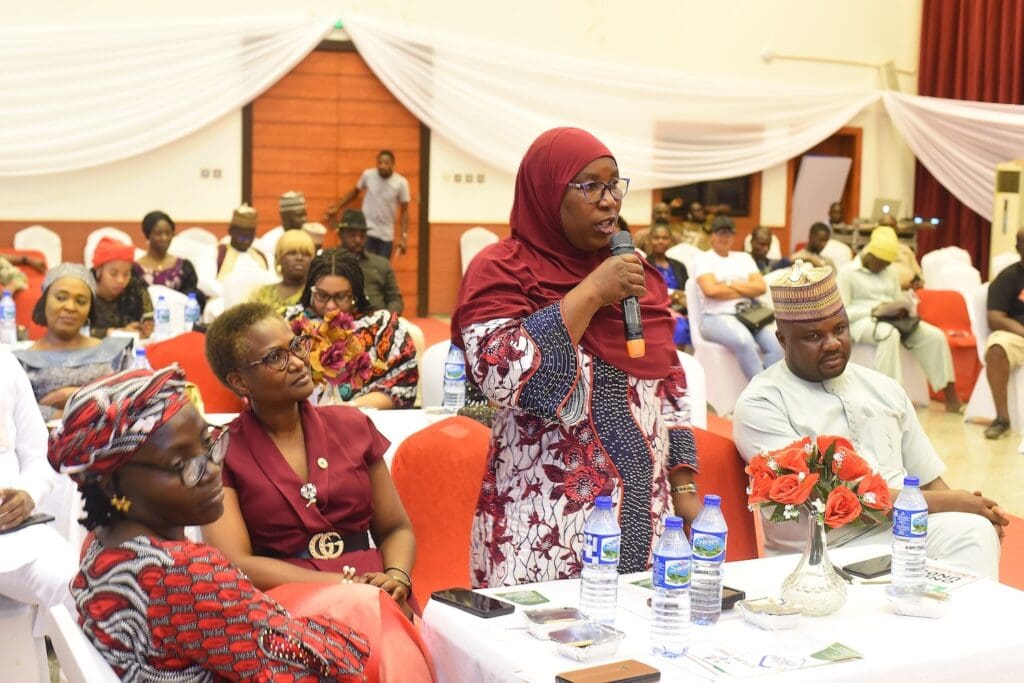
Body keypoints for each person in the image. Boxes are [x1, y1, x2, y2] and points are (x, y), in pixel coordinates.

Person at [48, 365, 433, 681]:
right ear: (113, 482)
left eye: (209, 443)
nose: (212, 469)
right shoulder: (185, 574)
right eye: (184, 463)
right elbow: (309, 672)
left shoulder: (102, 544)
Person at [451, 127, 700, 588]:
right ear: (547, 192)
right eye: (589, 186)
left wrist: (684, 486)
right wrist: (590, 294)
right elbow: (501, 376)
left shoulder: (632, 272)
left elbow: (668, 384)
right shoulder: (502, 268)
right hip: (544, 529)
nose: (608, 201)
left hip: (648, 522)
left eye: (614, 185)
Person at [733, 264, 1005, 577]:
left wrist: (967, 510)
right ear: (782, 340)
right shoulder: (763, 403)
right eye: (813, 336)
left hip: (900, 532)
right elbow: (834, 501)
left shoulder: (884, 388)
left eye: (839, 329)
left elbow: (929, 480)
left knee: (973, 530)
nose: (833, 343)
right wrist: (950, 502)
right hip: (821, 554)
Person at [202, 303, 417, 616]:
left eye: (296, 346)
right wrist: (345, 586)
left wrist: (397, 577)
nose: (299, 363)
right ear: (239, 382)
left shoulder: (352, 425)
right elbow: (236, 562)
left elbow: (397, 528)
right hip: (286, 601)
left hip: (379, 590)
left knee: (392, 634)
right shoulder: (223, 450)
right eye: (276, 357)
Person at [836, 226, 961, 412]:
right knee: (889, 334)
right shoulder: (848, 272)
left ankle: (951, 396)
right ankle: (890, 399)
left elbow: (895, 299)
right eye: (882, 262)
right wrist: (874, 310)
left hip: (891, 318)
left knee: (935, 336)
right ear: (871, 255)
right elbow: (842, 313)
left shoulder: (890, 271)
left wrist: (904, 306)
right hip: (861, 322)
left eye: (888, 263)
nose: (885, 266)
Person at [0, 349, 78, 620]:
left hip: (11, 536)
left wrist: (27, 494)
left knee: (79, 587)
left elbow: (41, 457)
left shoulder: (5, 364)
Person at [286, 252, 417, 409]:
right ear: (310, 291)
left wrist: (348, 408)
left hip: (365, 416)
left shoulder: (381, 325)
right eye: (322, 295)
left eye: (341, 296)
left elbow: (403, 385)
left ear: (355, 294)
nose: (331, 306)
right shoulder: (289, 323)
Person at [14, 264, 133, 421]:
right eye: (61, 298)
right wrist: (67, 416)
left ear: (90, 309)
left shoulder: (115, 353)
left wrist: (75, 395)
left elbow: (130, 402)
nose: (70, 307)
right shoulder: (20, 362)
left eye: (81, 301)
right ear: (44, 301)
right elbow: (15, 412)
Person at [693, 215, 783, 379]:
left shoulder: (744, 258)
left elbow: (760, 287)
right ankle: (761, 392)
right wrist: (745, 288)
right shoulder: (703, 258)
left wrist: (727, 284)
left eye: (729, 233)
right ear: (712, 235)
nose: (725, 237)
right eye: (720, 233)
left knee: (778, 344)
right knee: (743, 340)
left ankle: (769, 388)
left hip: (749, 315)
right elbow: (711, 290)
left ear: (734, 236)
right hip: (715, 316)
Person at [326, 151, 411, 259]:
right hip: (367, 231)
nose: (382, 166)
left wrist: (403, 237)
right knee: (362, 264)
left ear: (393, 164)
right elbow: (354, 192)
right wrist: (337, 207)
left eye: (386, 163)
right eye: (379, 163)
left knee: (381, 268)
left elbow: (404, 211)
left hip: (386, 234)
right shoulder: (368, 175)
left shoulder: (401, 183)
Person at [981, 228, 1024, 439]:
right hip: (1017, 336)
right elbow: (995, 318)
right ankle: (1002, 419)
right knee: (997, 349)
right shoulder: (1008, 278)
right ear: (1018, 248)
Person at [133, 210, 206, 310]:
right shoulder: (135, 269)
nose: (164, 238)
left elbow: (193, 298)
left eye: (168, 233)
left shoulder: (184, 267)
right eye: (159, 233)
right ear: (148, 235)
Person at [334, 209, 404, 314]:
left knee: (414, 331)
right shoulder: (330, 262)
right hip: (340, 321)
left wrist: (386, 318)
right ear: (340, 235)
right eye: (352, 235)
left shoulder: (381, 264)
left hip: (379, 320)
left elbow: (395, 299)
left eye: (362, 235)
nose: (358, 240)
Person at [91, 237, 154, 340]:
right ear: (99, 271)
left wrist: (146, 327)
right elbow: (77, 332)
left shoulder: (136, 286)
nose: (120, 280)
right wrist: (116, 333)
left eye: (126, 274)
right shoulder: (84, 290)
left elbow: (149, 316)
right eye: (113, 274)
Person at [250, 229, 316, 313]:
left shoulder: (315, 295)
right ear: (279, 258)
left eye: (306, 254)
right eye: (292, 253)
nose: (299, 258)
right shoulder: (260, 294)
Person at [259, 191, 308, 273]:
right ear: (285, 217)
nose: (304, 219)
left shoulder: (308, 238)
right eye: (299, 215)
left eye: (305, 215)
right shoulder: (270, 241)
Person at [217, 203, 268, 280]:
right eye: (242, 234)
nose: (246, 240)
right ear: (231, 231)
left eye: (250, 234)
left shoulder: (260, 256)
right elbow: (206, 283)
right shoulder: (218, 253)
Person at [877, 213, 924, 289]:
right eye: (885, 226)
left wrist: (917, 283)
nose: (888, 230)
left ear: (896, 230)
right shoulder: (868, 251)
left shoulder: (905, 250)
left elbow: (920, 277)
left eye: (891, 226)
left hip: (906, 293)